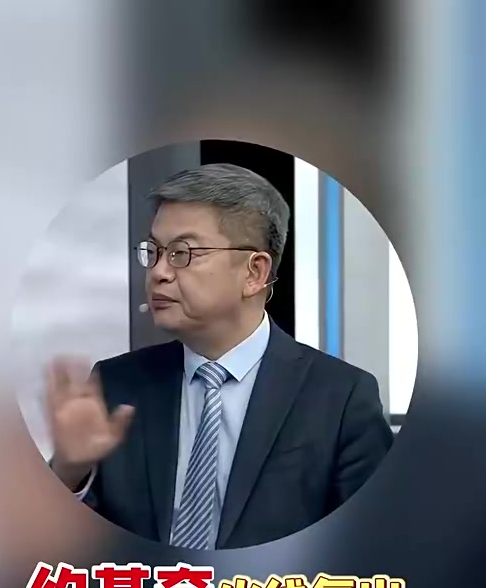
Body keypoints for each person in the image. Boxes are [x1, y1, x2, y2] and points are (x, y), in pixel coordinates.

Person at [47, 163, 393, 549]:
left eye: (182, 253)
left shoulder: (341, 397)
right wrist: (69, 471)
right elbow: (65, 547)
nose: (158, 272)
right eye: (154, 252)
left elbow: (375, 545)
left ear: (254, 273)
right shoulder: (117, 384)